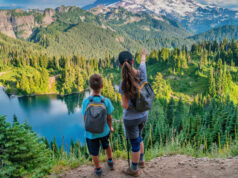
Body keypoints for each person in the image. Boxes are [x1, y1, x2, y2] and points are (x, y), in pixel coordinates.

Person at [118, 50, 148, 177]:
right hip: (143, 115)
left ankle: (134, 169)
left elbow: (125, 105)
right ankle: (141, 161)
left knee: (135, 143)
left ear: (120, 65)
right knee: (139, 137)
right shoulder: (142, 73)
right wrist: (143, 55)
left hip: (131, 119)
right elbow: (143, 62)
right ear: (133, 61)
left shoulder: (123, 83)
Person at [81, 74, 114, 177]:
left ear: (90, 87)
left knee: (94, 152)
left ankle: (98, 169)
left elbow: (85, 118)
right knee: (106, 145)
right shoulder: (106, 101)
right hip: (104, 131)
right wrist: (110, 127)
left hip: (90, 134)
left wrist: (88, 127)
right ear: (102, 86)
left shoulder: (86, 101)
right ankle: (110, 161)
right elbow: (109, 118)